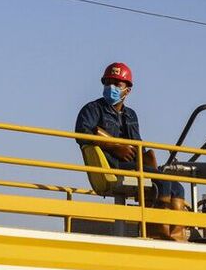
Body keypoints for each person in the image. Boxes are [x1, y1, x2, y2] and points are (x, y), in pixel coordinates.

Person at [75, 62, 188, 241]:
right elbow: (82, 134)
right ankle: (156, 230)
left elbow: (136, 143)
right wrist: (114, 147)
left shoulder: (130, 115)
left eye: (117, 84)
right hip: (111, 164)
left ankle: (176, 236)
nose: (111, 87)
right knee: (163, 180)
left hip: (131, 163)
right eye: (108, 83)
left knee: (178, 187)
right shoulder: (92, 109)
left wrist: (144, 155)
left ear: (127, 90)